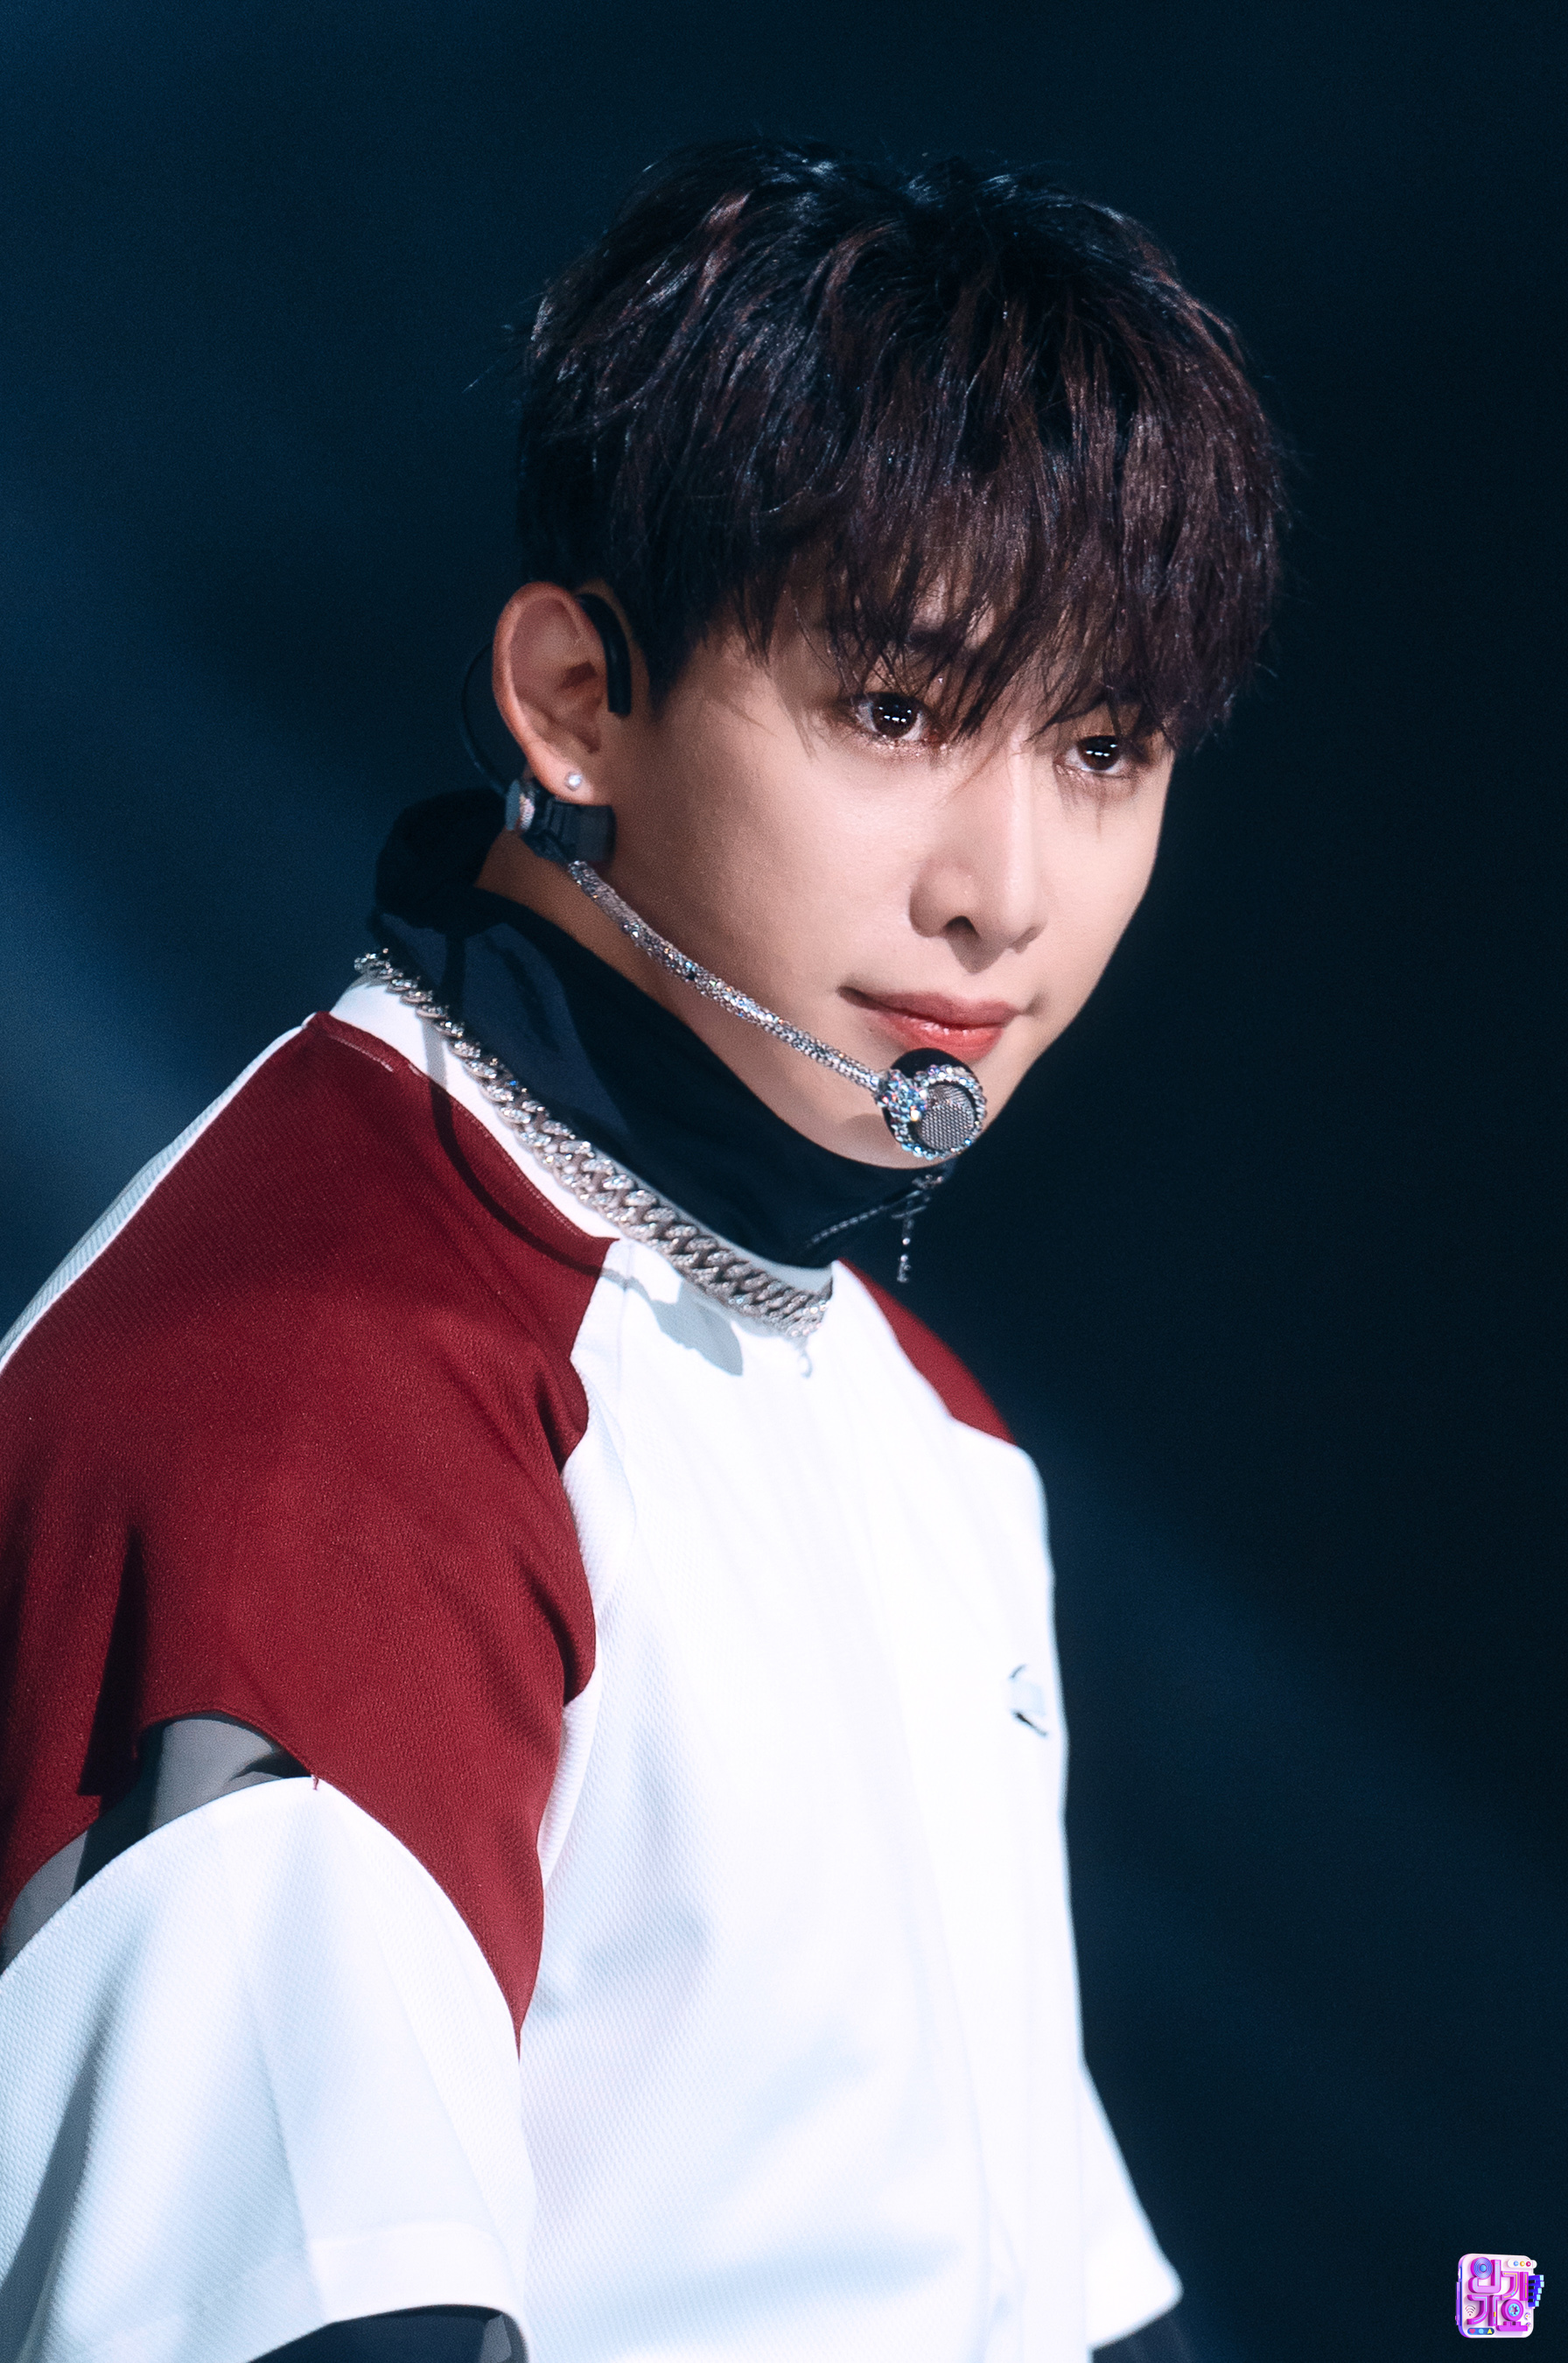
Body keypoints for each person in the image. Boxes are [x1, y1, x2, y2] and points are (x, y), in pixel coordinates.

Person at [0, 140, 1281, 2363]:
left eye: (1100, 748)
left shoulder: (924, 1428)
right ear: (576, 698)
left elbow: (1045, 2299)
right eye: (895, 713)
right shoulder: (315, 1394)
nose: (1003, 890)